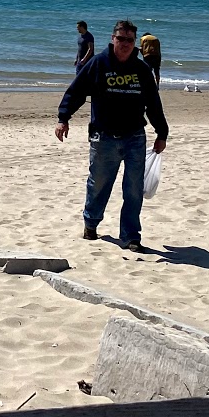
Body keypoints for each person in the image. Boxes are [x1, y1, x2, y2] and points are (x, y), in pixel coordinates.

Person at [56, 20, 169, 252]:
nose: (125, 44)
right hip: (104, 137)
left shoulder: (141, 70)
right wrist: (63, 117)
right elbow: (76, 91)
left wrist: (161, 132)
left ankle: (130, 237)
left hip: (135, 137)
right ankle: (91, 224)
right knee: (99, 185)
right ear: (112, 39)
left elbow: (153, 104)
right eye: (121, 39)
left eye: (130, 40)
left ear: (134, 42)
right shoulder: (98, 64)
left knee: (134, 189)